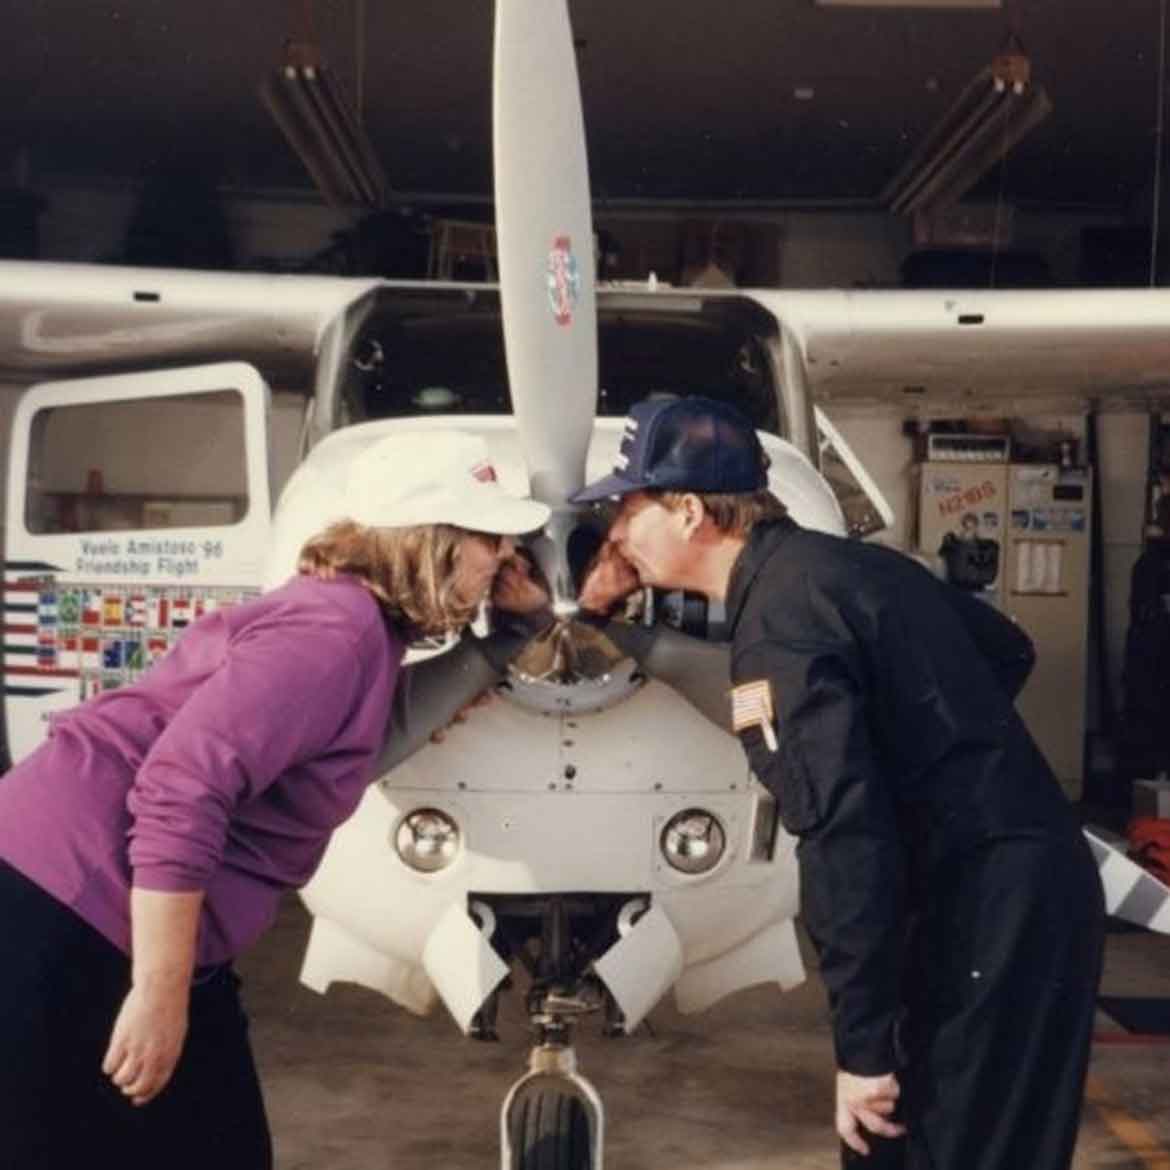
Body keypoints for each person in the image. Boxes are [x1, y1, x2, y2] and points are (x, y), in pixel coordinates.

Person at [572, 395, 1104, 1170]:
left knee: (917, 1148)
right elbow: (1004, 650)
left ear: (689, 511)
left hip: (987, 916)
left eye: (628, 508)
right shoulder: (842, 568)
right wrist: (939, 771)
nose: (615, 533)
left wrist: (863, 1053)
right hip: (1024, 894)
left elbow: (845, 844)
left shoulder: (779, 632)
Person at [0, 430, 549, 1170]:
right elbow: (181, 788)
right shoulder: (333, 634)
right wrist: (160, 993)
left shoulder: (360, 629)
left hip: (127, 903)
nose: (506, 556)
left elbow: (376, 732)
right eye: (492, 537)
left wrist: (516, 633)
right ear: (434, 541)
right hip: (68, 898)